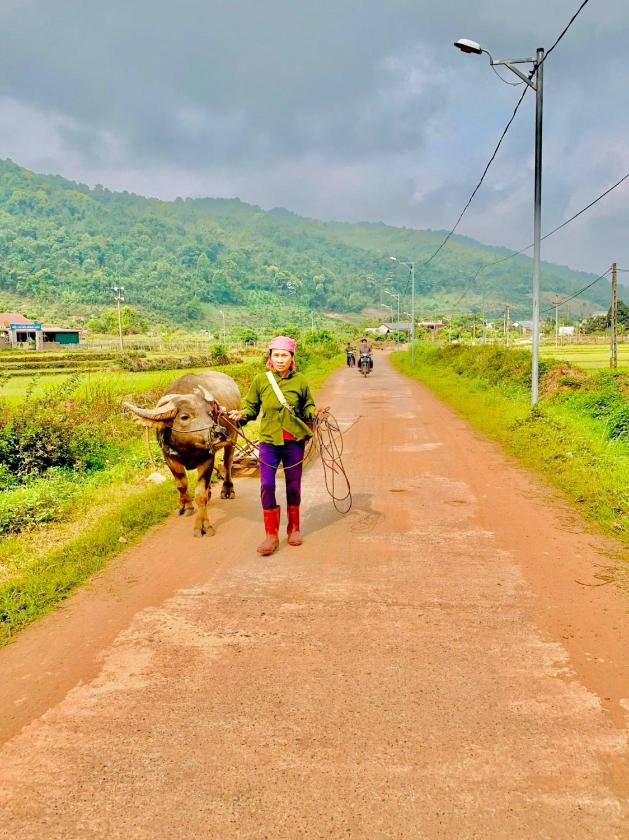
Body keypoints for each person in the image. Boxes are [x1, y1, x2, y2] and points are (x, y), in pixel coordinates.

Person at [228, 336, 325, 556]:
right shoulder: (261, 380)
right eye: (276, 355)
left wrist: (313, 412)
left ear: (292, 358)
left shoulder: (300, 381)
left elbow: (307, 403)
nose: (280, 359)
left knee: (293, 485)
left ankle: (294, 528)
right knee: (267, 485)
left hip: (293, 442)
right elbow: (251, 408)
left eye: (285, 355)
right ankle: (271, 535)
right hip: (269, 442)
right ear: (270, 357)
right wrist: (240, 415)